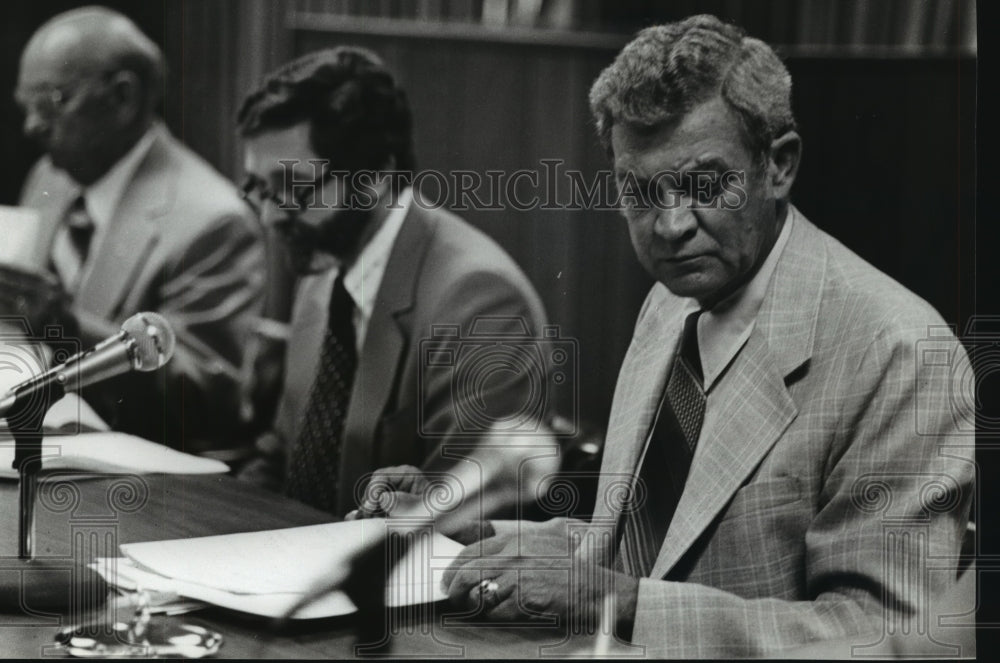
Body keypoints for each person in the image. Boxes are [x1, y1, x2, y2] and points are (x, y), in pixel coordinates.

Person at [441, 14, 975, 657]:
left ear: (778, 167)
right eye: (639, 192)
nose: (669, 227)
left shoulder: (900, 351)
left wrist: (618, 601)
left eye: (702, 184)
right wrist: (489, 533)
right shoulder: (673, 301)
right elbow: (664, 543)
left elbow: (879, 635)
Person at [235, 47, 550, 518]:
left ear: (376, 176)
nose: (269, 216)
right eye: (259, 189)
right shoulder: (326, 269)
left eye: (293, 189)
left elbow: (461, 523)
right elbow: (283, 460)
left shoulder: (480, 301)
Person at [11, 6, 264, 448]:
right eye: (25, 107)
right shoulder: (49, 178)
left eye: (52, 101)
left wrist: (67, 326)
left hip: (144, 488)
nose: (32, 127)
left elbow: (206, 406)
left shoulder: (213, 219)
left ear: (123, 97)